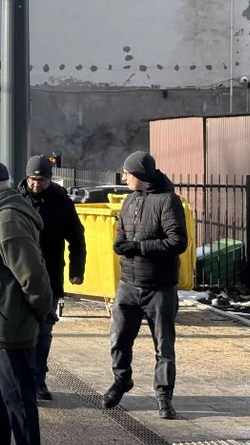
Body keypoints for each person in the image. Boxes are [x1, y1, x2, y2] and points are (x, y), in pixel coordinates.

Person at [0, 160, 52, 445]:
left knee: (17, 400)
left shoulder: (8, 219)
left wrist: (41, 313)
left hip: (9, 326)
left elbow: (33, 276)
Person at [104, 151, 187, 421]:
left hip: (159, 287)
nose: (124, 177)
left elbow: (178, 242)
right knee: (118, 340)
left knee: (164, 346)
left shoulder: (167, 201)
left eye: (127, 173)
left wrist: (139, 247)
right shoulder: (129, 201)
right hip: (128, 284)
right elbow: (121, 234)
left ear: (140, 174)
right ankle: (121, 380)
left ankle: (164, 398)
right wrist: (120, 244)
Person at [18, 155, 86, 401]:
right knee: (20, 329)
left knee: (44, 330)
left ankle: (38, 380)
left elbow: (77, 237)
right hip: (20, 276)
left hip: (49, 275)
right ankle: (22, 377)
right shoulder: (16, 199)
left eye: (42, 180)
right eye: (33, 179)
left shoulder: (60, 202)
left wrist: (77, 271)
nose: (36, 184)